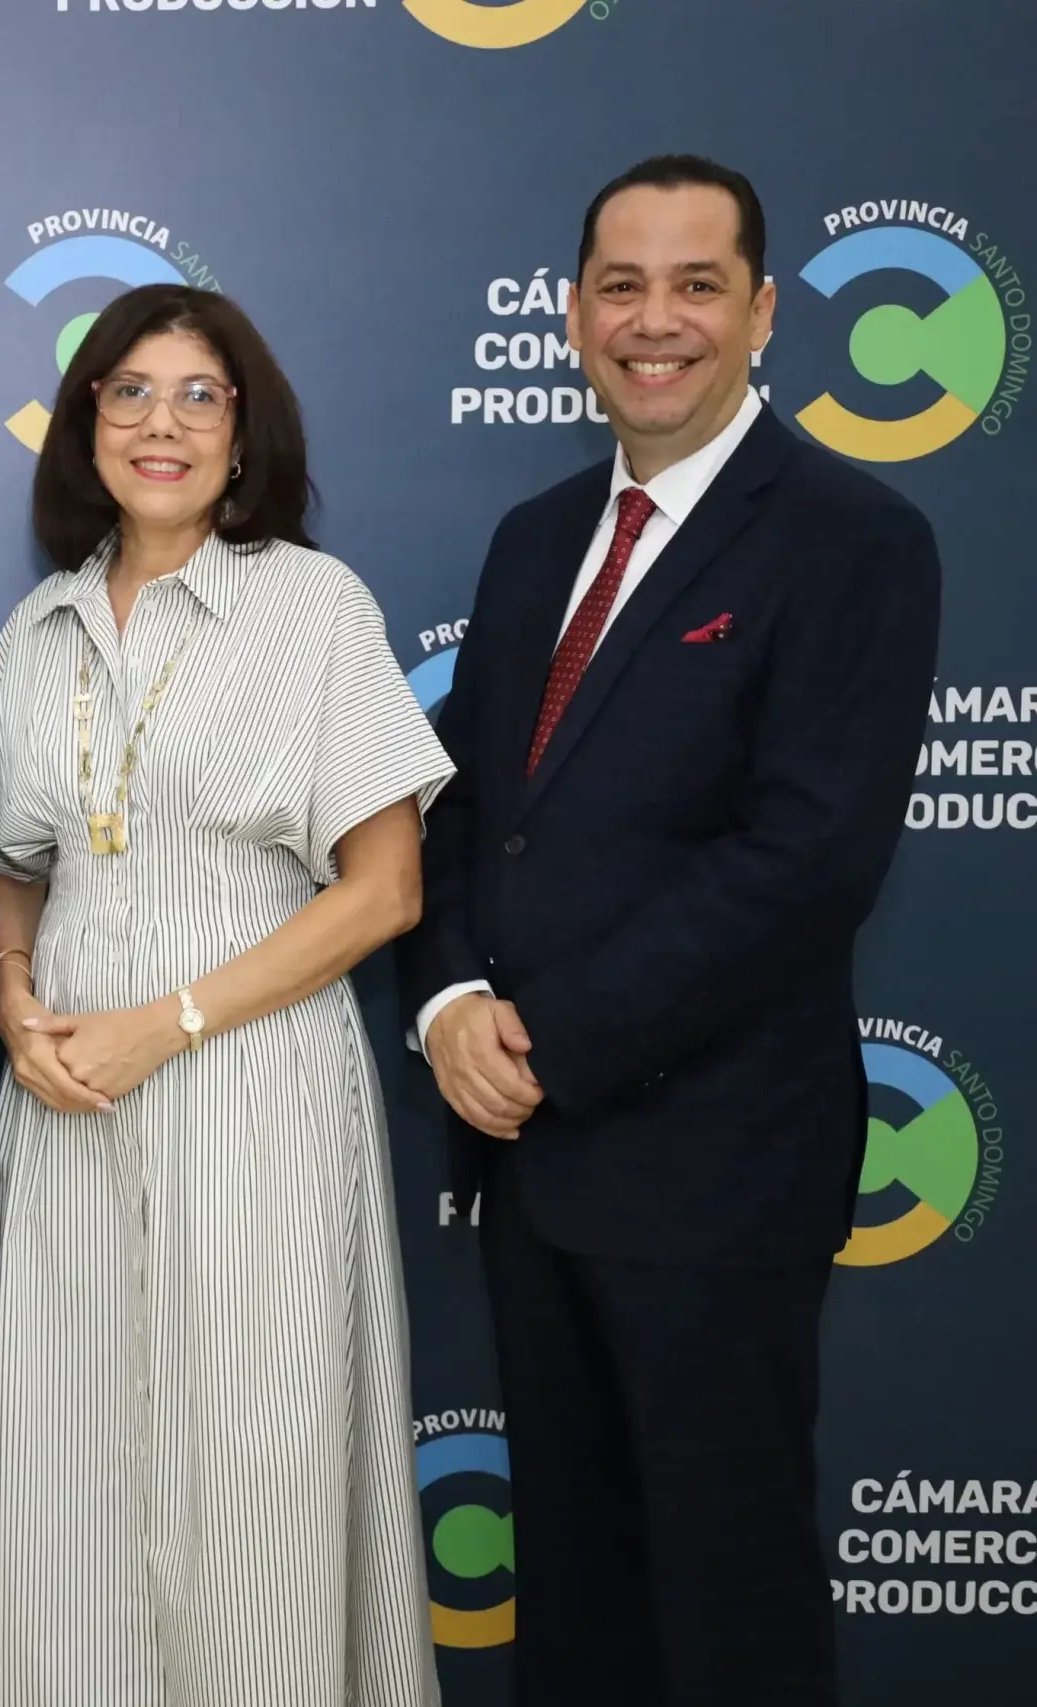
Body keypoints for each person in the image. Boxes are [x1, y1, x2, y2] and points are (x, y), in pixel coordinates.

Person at [400, 155, 942, 1707]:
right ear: (574, 314)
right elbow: (468, 812)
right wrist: (448, 1004)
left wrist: (549, 1039)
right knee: (578, 1613)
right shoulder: (535, 538)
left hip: (716, 1173)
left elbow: (807, 859)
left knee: (725, 1613)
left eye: (697, 285)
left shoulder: (852, 535)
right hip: (534, 1172)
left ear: (762, 313)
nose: (656, 320)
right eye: (622, 286)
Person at [0, 285, 449, 1706]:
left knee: (259, 1462)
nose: (164, 423)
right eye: (132, 392)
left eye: (200, 395)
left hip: (253, 1094)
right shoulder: (37, 630)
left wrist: (171, 1022)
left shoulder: (312, 606)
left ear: (244, 431)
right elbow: (6, 867)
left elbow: (386, 890)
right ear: (86, 420)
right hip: (68, 1105)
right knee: (65, 1467)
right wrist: (14, 998)